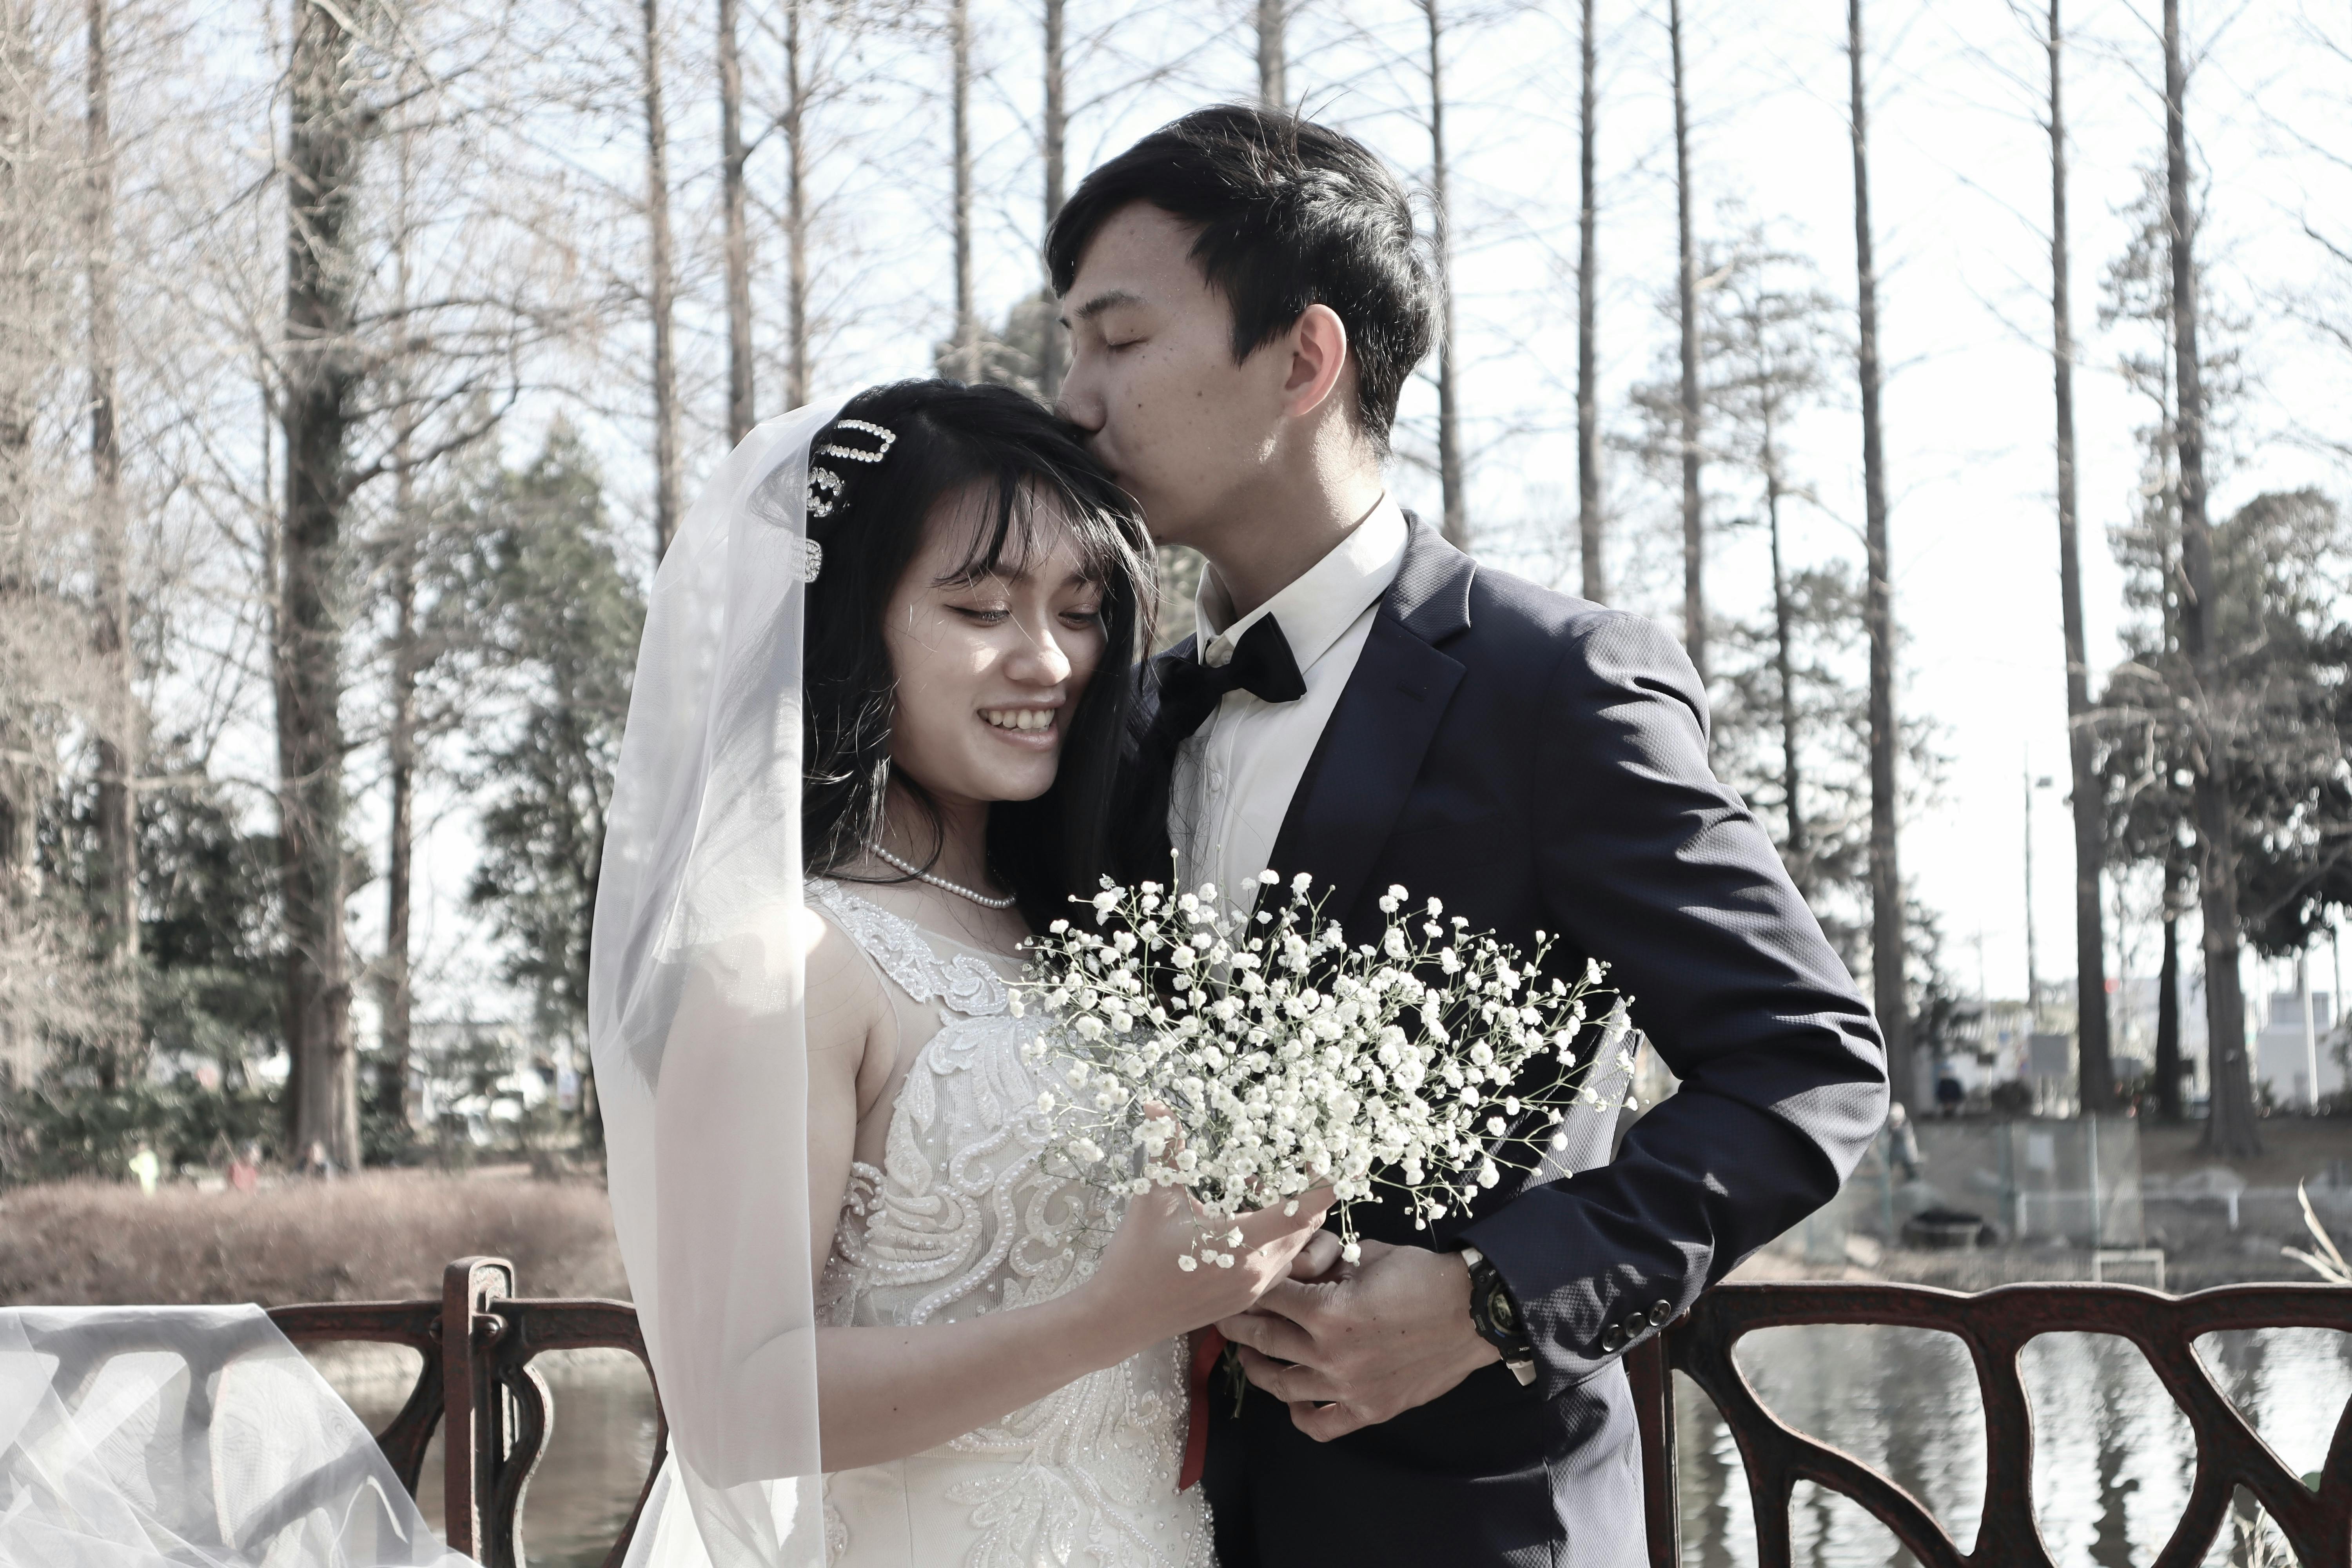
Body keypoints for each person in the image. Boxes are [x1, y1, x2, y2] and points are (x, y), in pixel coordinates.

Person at [1048, 105, 1891, 1566]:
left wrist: (1491, 1300)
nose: (1073, 397)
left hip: (1482, 1527)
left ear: (1305, 359)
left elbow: (1807, 1067)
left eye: (1117, 340)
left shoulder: (1552, 685)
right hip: (1148, 1519)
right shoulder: (1118, 721)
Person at [590, 381, 1331, 1568]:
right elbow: (733, 1407)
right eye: (981, 606)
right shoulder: (784, 964)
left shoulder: (1081, 937)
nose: (1049, 661)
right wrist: (1108, 1318)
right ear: (850, 621)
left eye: (1083, 611)